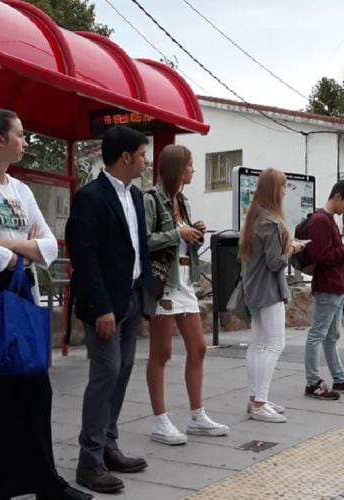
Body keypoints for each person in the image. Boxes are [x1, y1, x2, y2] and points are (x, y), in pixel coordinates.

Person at [0, 108, 88, 500]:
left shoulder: (20, 189)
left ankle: (44, 481)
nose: (25, 142)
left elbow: (47, 245)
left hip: (21, 294)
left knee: (33, 391)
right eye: (20, 135)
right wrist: (17, 253)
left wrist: (8, 247)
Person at [67, 125, 152, 494]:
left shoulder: (134, 197)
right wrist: (101, 307)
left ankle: (109, 445)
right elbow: (83, 256)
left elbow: (139, 248)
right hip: (104, 305)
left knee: (123, 370)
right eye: (143, 154)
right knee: (106, 373)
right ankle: (89, 461)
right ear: (126, 157)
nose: (146, 160)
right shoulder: (90, 197)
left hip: (131, 298)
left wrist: (147, 295)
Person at [142, 145, 228, 445]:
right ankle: (160, 420)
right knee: (161, 353)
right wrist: (179, 234)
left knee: (199, 347)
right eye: (190, 165)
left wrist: (194, 231)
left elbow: (182, 243)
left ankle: (197, 414)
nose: (193, 170)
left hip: (184, 282)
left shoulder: (183, 200)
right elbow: (145, 241)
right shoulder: (151, 199)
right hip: (163, 282)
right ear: (178, 169)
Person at [240, 169, 306, 422]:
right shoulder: (272, 222)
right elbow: (276, 262)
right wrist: (293, 247)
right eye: (283, 186)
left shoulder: (255, 217)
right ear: (274, 190)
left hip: (254, 289)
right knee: (275, 344)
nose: (285, 191)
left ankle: (255, 398)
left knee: (257, 344)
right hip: (269, 290)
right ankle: (259, 403)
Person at [303, 180, 344, 400]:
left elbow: (328, 252)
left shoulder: (327, 220)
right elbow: (322, 255)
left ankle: (338, 378)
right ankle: (312, 382)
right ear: (337, 197)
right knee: (318, 335)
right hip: (328, 285)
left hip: (336, 285)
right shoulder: (321, 221)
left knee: (331, 335)